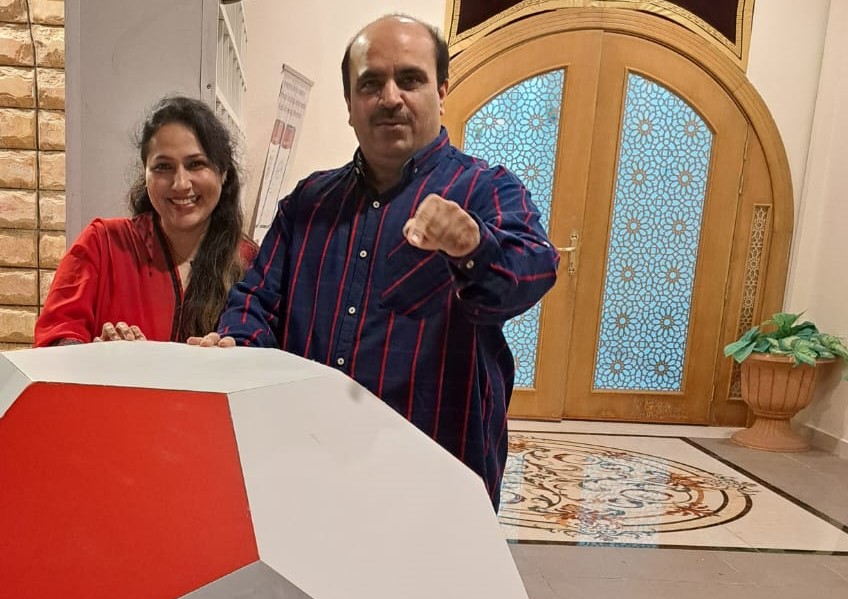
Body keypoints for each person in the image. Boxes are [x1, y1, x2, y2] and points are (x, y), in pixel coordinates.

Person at [196, 15, 558, 508]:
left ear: (442, 91)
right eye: (371, 84)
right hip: (310, 465)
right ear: (349, 104)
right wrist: (236, 344)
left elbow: (533, 270)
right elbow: (258, 299)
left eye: (410, 79)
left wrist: (473, 245)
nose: (390, 98)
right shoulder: (309, 203)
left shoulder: (485, 190)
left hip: (434, 478)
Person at [34, 96, 255, 347]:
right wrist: (95, 356)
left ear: (223, 172)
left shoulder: (251, 263)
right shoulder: (103, 244)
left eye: (196, 164)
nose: (180, 183)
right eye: (163, 167)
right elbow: (53, 344)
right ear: (146, 173)